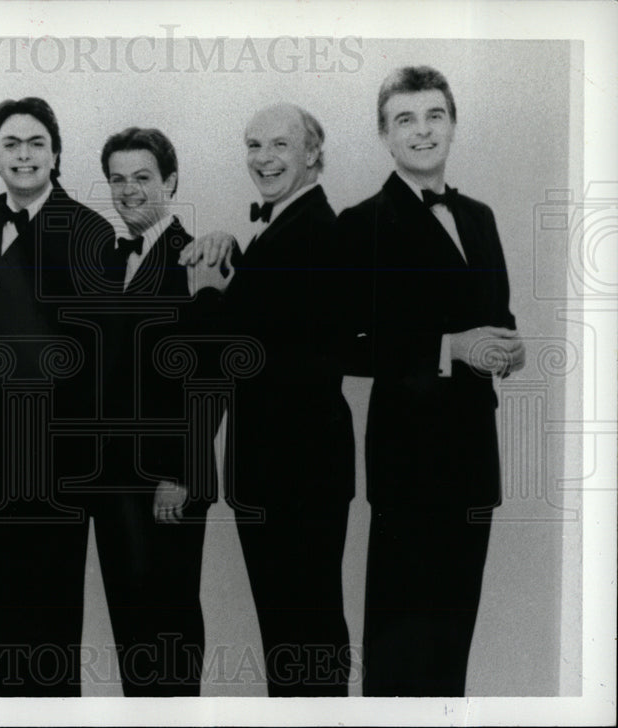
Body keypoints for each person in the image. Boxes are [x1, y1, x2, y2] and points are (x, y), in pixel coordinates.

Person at [336, 66, 525, 696]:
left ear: (453, 123)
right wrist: (450, 347)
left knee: (452, 650)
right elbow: (344, 344)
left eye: (434, 116)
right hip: (407, 467)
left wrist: (506, 346)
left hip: (474, 462)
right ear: (385, 137)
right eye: (405, 120)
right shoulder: (361, 223)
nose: (422, 132)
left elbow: (495, 315)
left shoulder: (480, 216)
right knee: (399, 653)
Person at [0, 97, 114, 696]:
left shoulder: (89, 230)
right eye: (10, 144)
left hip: (57, 462)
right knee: (3, 628)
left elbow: (66, 354)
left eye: (36, 142)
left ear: (56, 152)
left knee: (53, 629)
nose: (24, 154)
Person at [181, 103, 355, 696]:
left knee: (303, 645)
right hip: (285, 476)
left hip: (294, 479)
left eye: (280, 145)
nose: (263, 159)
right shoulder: (286, 227)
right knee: (298, 643)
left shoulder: (316, 232)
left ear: (313, 153)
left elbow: (242, 350)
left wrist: (205, 295)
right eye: (253, 145)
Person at [88, 126, 216, 695]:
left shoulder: (196, 258)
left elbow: (209, 379)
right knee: (133, 629)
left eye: (142, 178)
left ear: (171, 180)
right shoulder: (114, 261)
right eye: (117, 179)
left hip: (167, 479)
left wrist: (179, 472)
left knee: (169, 625)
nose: (128, 191)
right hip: (114, 479)